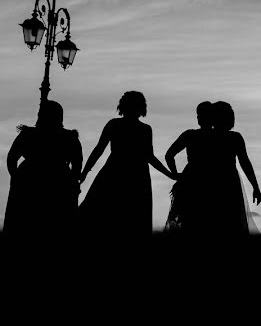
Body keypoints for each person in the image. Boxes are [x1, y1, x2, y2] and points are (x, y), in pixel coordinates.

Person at [79, 91, 175, 238]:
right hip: (136, 177)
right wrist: (170, 174)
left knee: (100, 217)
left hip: (114, 173)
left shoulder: (115, 124)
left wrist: (85, 172)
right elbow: (150, 157)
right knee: (132, 222)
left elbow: (98, 150)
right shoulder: (144, 129)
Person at [4, 100, 82, 238]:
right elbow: (11, 158)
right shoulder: (68, 137)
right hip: (34, 181)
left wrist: (15, 177)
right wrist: (15, 177)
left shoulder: (68, 137)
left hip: (54, 182)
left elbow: (77, 164)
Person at [195, 101, 261, 236]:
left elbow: (245, 162)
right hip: (222, 182)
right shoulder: (233, 137)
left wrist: (255, 186)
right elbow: (245, 162)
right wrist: (255, 186)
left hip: (215, 182)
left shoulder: (207, 136)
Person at [163, 101, 215, 232]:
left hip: (192, 179)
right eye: (198, 115)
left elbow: (169, 155)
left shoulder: (190, 135)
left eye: (201, 115)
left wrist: (175, 175)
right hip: (209, 180)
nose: (198, 118)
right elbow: (169, 155)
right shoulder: (219, 136)